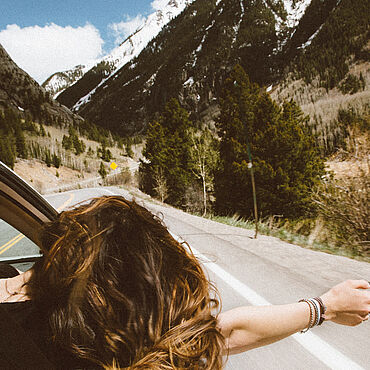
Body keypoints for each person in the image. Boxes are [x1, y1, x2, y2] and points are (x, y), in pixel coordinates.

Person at [0, 195, 369, 369]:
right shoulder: (89, 347)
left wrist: (327, 307)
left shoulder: (37, 304)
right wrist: (326, 307)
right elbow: (218, 334)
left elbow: (215, 334)